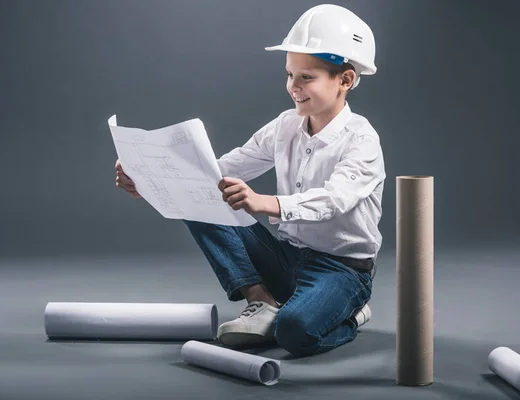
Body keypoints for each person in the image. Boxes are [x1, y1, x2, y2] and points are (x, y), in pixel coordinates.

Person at [115, 4, 385, 358]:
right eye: (290, 75)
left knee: (294, 333)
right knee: (202, 200)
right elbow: (218, 172)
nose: (293, 87)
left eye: (307, 77)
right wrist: (146, 180)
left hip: (341, 271)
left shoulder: (361, 140)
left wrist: (264, 202)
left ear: (345, 80)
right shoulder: (285, 126)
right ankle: (263, 303)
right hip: (287, 258)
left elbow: (335, 200)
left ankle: (348, 315)